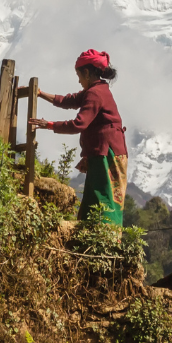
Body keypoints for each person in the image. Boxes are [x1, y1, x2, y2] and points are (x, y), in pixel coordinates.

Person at [30, 49, 128, 224]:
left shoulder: (95, 93)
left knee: (103, 196)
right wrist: (40, 93)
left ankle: (104, 236)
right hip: (104, 151)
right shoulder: (97, 90)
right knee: (99, 195)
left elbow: (79, 124)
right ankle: (97, 235)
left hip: (106, 153)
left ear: (87, 73)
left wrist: (50, 125)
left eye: (79, 75)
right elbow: (69, 100)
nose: (78, 80)